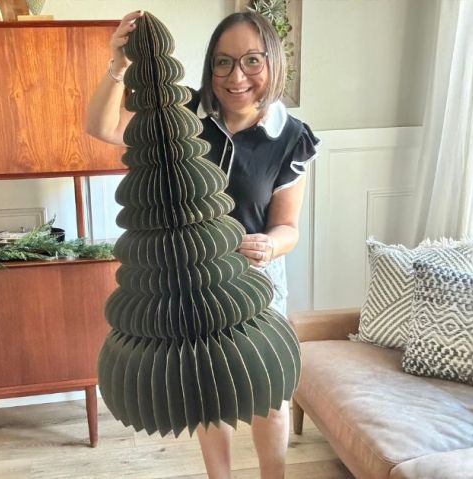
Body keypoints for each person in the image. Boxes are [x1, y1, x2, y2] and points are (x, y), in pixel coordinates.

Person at [85, 10, 319, 479]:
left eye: (252, 61)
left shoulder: (289, 137)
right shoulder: (182, 113)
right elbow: (102, 126)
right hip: (188, 283)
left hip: (254, 283)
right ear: (209, 67)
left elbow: (288, 226)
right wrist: (118, 65)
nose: (237, 76)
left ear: (273, 63)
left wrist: (269, 246)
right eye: (223, 62)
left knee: (267, 394)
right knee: (208, 391)